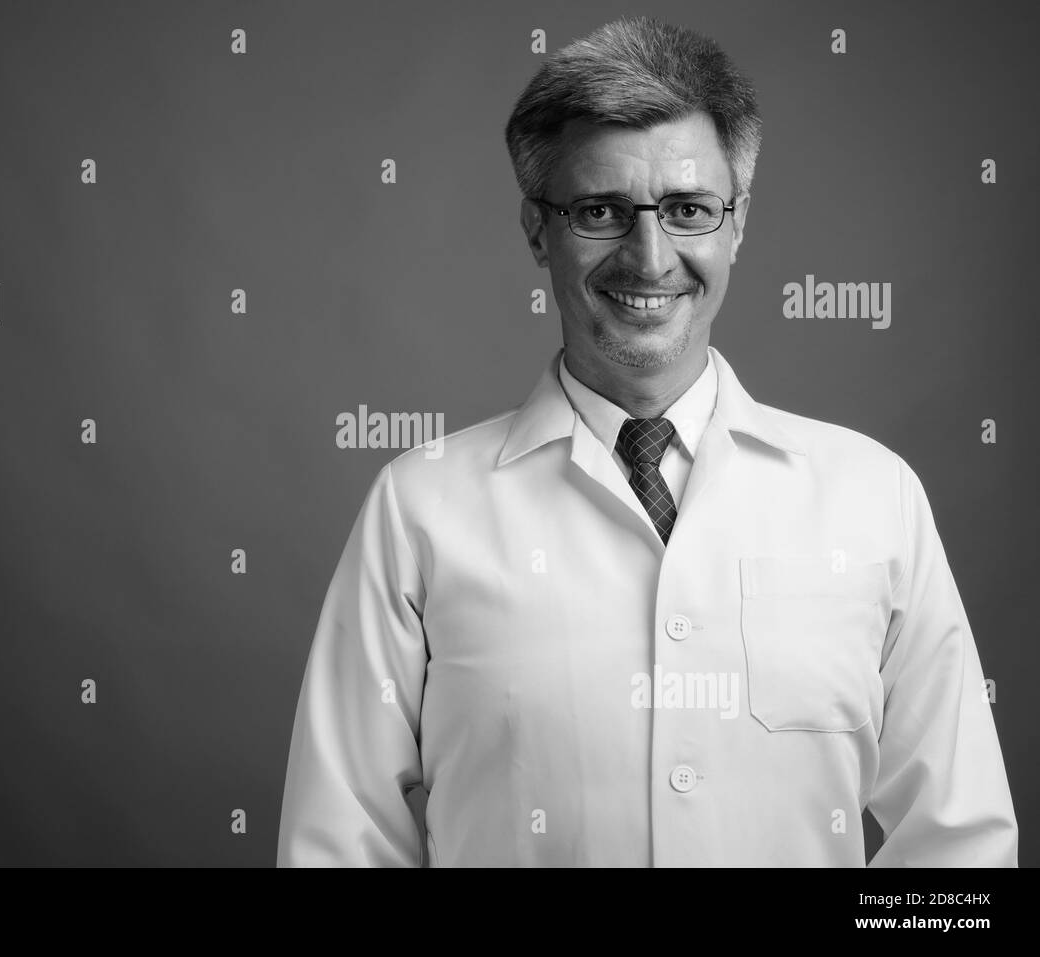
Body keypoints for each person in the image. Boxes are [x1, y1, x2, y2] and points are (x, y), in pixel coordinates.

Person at [277, 15, 1018, 867]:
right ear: (535, 229)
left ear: (736, 225)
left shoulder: (873, 497)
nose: (650, 257)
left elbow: (959, 845)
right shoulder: (419, 508)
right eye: (600, 210)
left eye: (689, 209)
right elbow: (338, 841)